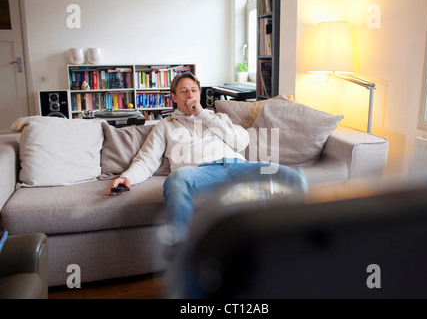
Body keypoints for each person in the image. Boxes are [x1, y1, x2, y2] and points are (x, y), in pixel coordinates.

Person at [106, 72, 307, 240]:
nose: (190, 95)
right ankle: (185, 249)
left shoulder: (218, 118)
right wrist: (126, 178)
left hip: (237, 166)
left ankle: (299, 242)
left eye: (194, 90)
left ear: (199, 94)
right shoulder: (165, 126)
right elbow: (146, 160)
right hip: (200, 173)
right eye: (183, 91)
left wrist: (204, 115)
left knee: (292, 177)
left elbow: (241, 142)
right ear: (174, 97)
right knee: (176, 179)